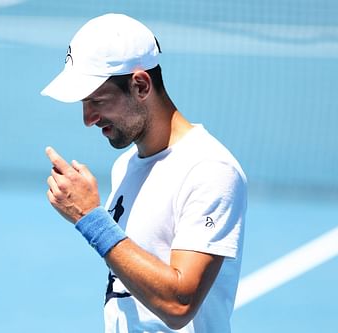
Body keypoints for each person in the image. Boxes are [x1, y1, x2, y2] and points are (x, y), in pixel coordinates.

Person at [41, 13, 247, 333]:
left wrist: (90, 218)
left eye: (97, 100)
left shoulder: (210, 170)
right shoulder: (124, 166)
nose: (88, 118)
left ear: (140, 85)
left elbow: (179, 305)